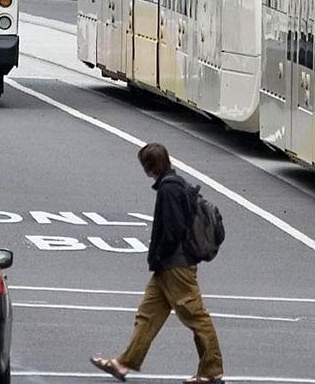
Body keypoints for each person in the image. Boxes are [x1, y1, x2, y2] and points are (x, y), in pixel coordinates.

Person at [91, 143, 223, 383]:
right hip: (168, 266)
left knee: (195, 315)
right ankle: (123, 364)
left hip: (175, 265)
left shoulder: (169, 189)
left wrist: (159, 255)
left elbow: (172, 230)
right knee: (148, 315)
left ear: (150, 165)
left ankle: (212, 370)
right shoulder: (175, 183)